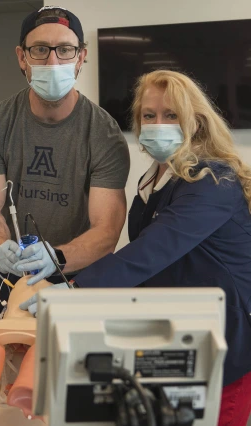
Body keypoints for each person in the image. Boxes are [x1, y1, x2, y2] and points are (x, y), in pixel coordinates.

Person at [19, 70, 251, 426]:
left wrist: (79, 291)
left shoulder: (212, 180)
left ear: (196, 122)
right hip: (179, 339)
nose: (158, 124)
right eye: (149, 115)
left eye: (171, 114)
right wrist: (60, 260)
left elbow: (152, 251)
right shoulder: (152, 182)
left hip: (225, 342)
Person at [0, 6, 130, 320]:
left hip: (74, 278)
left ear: (81, 57)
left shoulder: (104, 134)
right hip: (12, 276)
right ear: (22, 57)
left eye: (65, 50)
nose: (53, 61)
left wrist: (56, 256)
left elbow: (106, 230)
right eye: (41, 50)